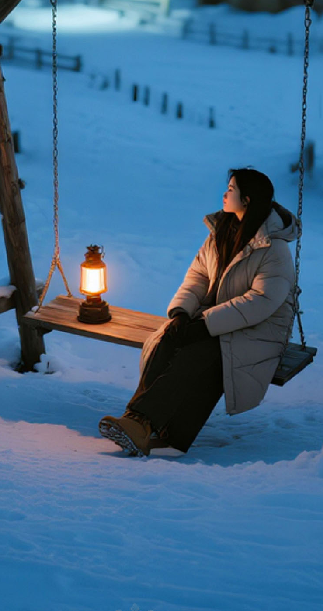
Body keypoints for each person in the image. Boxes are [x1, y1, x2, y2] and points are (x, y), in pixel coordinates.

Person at [99, 167, 299, 457]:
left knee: (201, 353)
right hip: (220, 321)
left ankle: (141, 423)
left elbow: (260, 302)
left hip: (258, 332)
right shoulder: (222, 232)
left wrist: (205, 324)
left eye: (231, 188)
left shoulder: (273, 249)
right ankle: (146, 426)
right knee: (170, 336)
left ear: (247, 199)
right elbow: (198, 277)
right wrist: (182, 313)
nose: (225, 193)